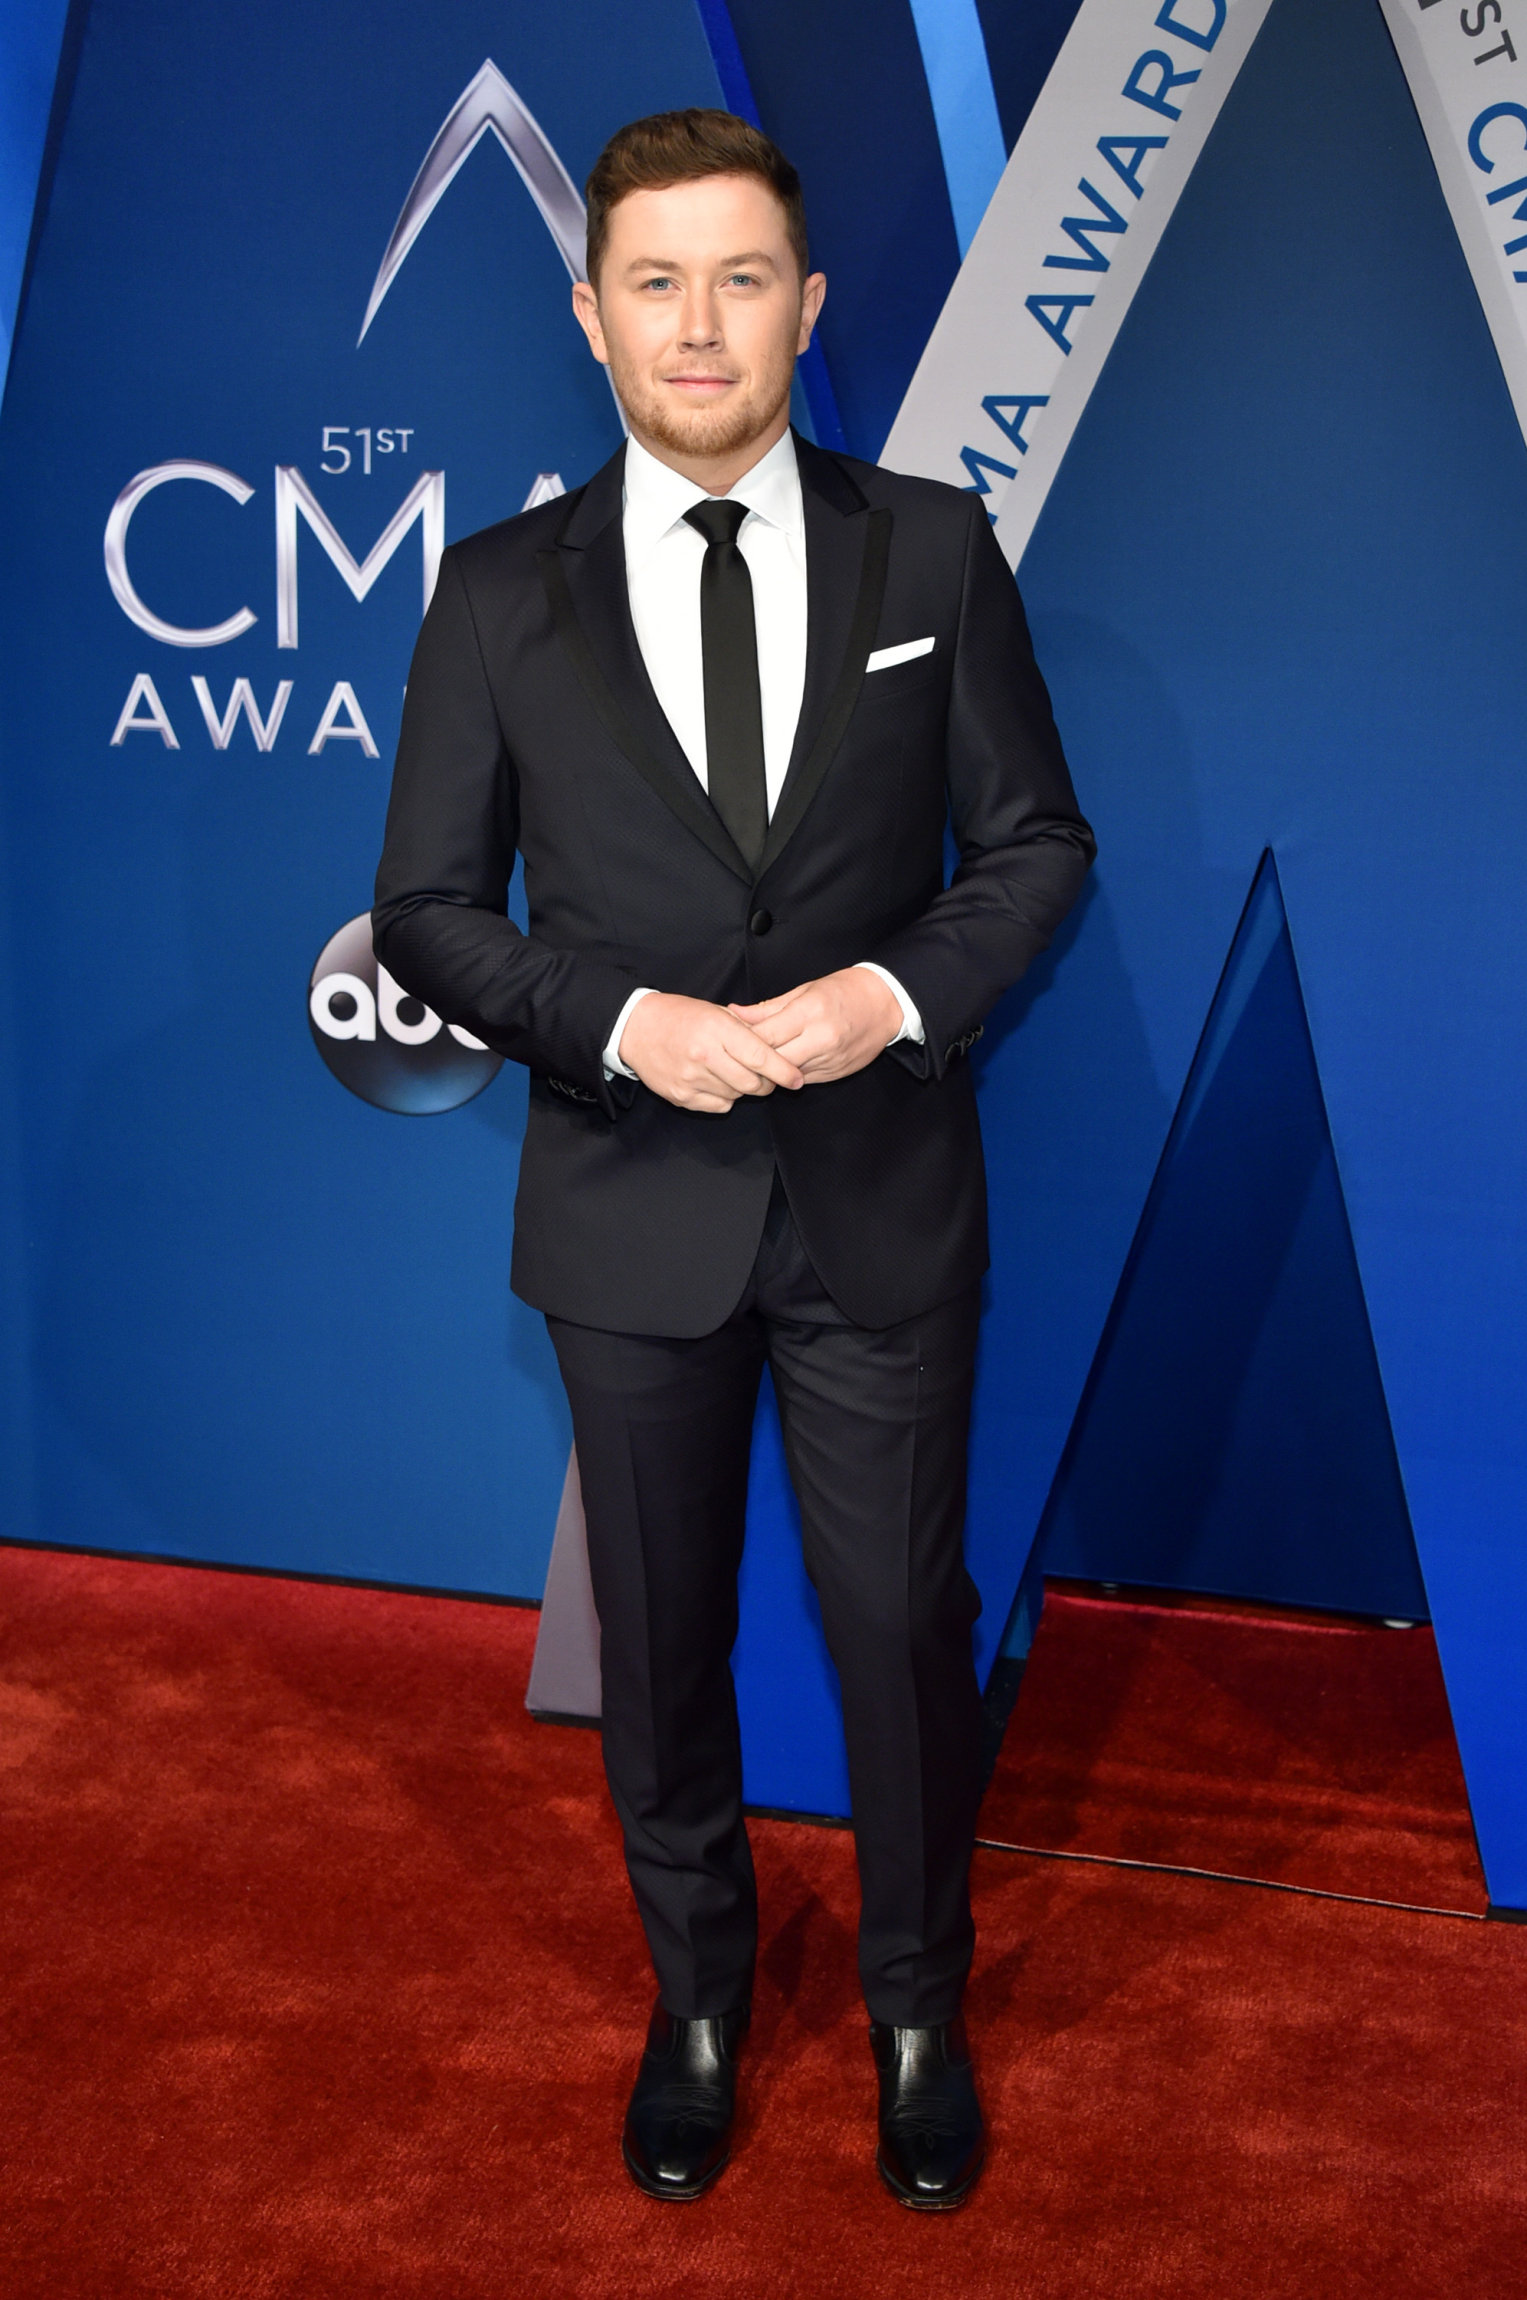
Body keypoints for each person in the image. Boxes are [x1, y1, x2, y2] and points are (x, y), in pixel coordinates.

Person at [373, 107, 1093, 2211]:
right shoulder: (497, 592)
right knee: (664, 1654)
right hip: (627, 1207)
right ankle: (694, 2001)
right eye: (656, 282)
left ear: (809, 304)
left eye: (742, 276)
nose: (701, 324)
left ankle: (909, 2004)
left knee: (895, 1630)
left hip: (881, 1201)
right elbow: (425, 905)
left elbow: (1033, 845)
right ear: (589, 314)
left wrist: (885, 996)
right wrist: (618, 1021)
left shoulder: (930, 549)